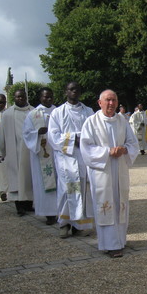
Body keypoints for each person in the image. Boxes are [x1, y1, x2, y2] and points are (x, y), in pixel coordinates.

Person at [81, 90, 139, 258]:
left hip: (120, 169)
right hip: (102, 171)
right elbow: (87, 148)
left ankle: (120, 240)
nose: (111, 104)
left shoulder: (122, 121)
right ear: (100, 103)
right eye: (107, 100)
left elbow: (132, 143)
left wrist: (125, 149)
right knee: (105, 204)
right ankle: (109, 244)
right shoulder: (91, 122)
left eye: (114, 100)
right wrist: (107, 152)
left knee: (120, 202)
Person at [48, 81, 94, 238]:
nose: (74, 92)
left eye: (77, 89)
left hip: (83, 157)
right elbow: (53, 136)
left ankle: (79, 224)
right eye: (71, 89)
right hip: (66, 158)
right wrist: (74, 138)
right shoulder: (58, 113)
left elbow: (94, 133)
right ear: (65, 92)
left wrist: (83, 140)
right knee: (68, 190)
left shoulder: (88, 111)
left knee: (82, 189)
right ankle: (64, 223)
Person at [22, 88, 58, 225]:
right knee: (44, 183)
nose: (48, 99)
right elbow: (26, 133)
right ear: (40, 98)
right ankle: (48, 213)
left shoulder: (58, 111)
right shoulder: (33, 114)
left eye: (50, 96)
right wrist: (37, 132)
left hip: (57, 153)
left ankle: (61, 212)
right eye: (45, 97)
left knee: (60, 182)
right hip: (41, 153)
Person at [0, 90, 34, 214]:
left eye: (22, 96)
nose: (20, 98)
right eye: (18, 97)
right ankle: (19, 206)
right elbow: (2, 134)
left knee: (29, 178)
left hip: (30, 150)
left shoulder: (33, 111)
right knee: (16, 178)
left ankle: (28, 204)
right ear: (14, 98)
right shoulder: (8, 114)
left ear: (26, 97)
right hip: (15, 151)